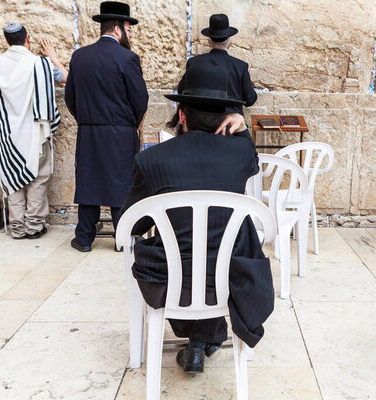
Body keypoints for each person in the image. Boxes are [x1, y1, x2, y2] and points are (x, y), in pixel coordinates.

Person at [120, 64, 274, 374]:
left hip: (170, 283)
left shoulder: (151, 160)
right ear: (224, 117)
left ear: (182, 115)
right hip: (231, 280)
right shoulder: (240, 154)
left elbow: (132, 225)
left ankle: (199, 341)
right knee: (225, 246)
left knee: (173, 253)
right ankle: (204, 339)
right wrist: (242, 130)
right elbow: (252, 159)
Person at [65, 1, 148, 252]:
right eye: (129, 29)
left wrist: (88, 120)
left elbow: (71, 97)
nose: (131, 34)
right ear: (118, 29)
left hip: (89, 132)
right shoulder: (128, 58)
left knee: (89, 181)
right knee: (121, 183)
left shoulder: (79, 56)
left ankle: (84, 239)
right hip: (120, 133)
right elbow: (140, 99)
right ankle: (121, 239)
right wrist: (128, 124)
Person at [0, 22, 63, 239]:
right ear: (27, 39)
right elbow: (66, 78)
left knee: (12, 176)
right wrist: (52, 57)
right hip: (35, 132)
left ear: (7, 42)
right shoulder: (39, 64)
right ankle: (34, 226)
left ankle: (17, 227)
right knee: (39, 177)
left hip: (7, 135)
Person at [177, 13, 257, 116]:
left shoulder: (194, 62)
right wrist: (247, 78)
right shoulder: (241, 67)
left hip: (200, 123)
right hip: (231, 126)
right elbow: (250, 100)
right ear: (230, 44)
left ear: (208, 42)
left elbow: (181, 91)